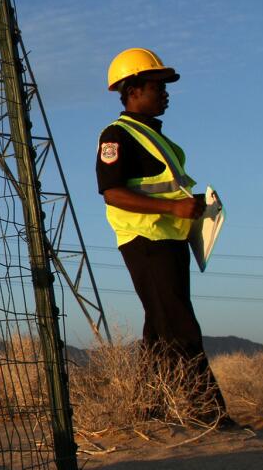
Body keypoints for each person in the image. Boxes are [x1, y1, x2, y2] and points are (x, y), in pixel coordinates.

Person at [96, 48, 233, 427]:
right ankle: (210, 413)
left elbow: (163, 190)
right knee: (180, 326)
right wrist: (175, 209)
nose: (165, 93)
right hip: (146, 242)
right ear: (133, 89)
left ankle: (147, 408)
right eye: (158, 86)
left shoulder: (158, 139)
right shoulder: (116, 135)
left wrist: (192, 206)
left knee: (159, 329)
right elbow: (113, 192)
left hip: (171, 242)